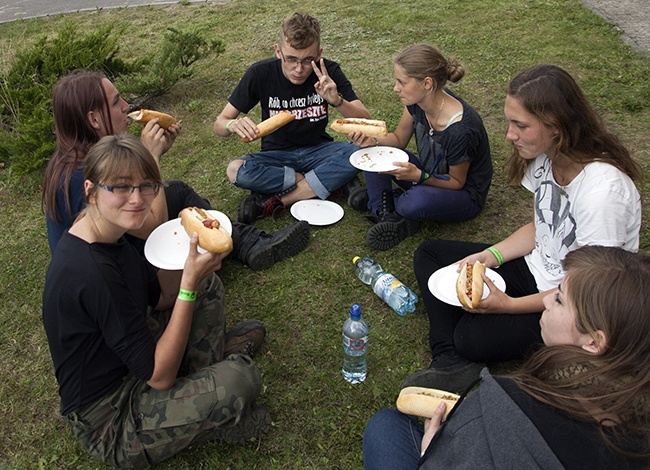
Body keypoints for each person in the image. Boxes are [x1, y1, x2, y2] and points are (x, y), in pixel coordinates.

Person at [402, 64, 643, 393]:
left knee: (471, 337)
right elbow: (541, 226)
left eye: (520, 125)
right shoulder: (547, 156)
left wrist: (509, 306)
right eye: (509, 122)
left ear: (556, 126)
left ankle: (455, 349)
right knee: (431, 255)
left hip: (571, 302)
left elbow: (595, 296)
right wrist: (491, 255)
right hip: (536, 269)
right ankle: (449, 359)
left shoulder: (603, 194)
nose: (509, 135)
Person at [43, 134, 271, 468]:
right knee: (241, 379)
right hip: (111, 418)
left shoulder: (110, 232)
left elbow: (163, 298)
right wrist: (188, 281)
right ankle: (214, 406)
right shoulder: (92, 271)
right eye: (120, 187)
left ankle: (201, 381)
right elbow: (158, 377)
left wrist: (185, 258)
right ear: (91, 191)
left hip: (134, 360)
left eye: (146, 185)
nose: (137, 199)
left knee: (207, 286)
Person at [363, 246, 650, 469]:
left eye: (559, 299)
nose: (547, 300)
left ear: (593, 341)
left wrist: (430, 450)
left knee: (386, 426)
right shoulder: (637, 435)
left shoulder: (506, 403)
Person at [42, 70, 310, 271]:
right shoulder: (85, 176)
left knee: (178, 192)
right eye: (115, 102)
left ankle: (243, 242)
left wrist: (153, 155)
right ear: (94, 119)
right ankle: (239, 247)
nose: (126, 106)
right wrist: (151, 157)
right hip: (120, 276)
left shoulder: (74, 156)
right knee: (172, 203)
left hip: (118, 249)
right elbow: (151, 226)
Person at [214, 12, 372, 224]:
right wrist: (233, 124)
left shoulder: (328, 71)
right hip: (276, 158)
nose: (299, 69)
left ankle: (277, 201)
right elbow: (219, 124)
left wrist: (338, 101)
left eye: (308, 60)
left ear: (319, 53)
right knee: (235, 170)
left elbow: (366, 121)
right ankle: (329, 181)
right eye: (291, 59)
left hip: (319, 150)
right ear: (278, 51)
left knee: (365, 149)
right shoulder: (260, 73)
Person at [347, 43, 492, 250]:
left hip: (463, 195)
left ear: (426, 83)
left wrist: (420, 177)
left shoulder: (461, 129)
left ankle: (393, 204)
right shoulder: (417, 102)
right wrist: (373, 142)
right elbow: (398, 139)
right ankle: (384, 213)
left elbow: (457, 182)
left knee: (413, 201)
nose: (395, 88)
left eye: (401, 82)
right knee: (373, 154)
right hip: (425, 173)